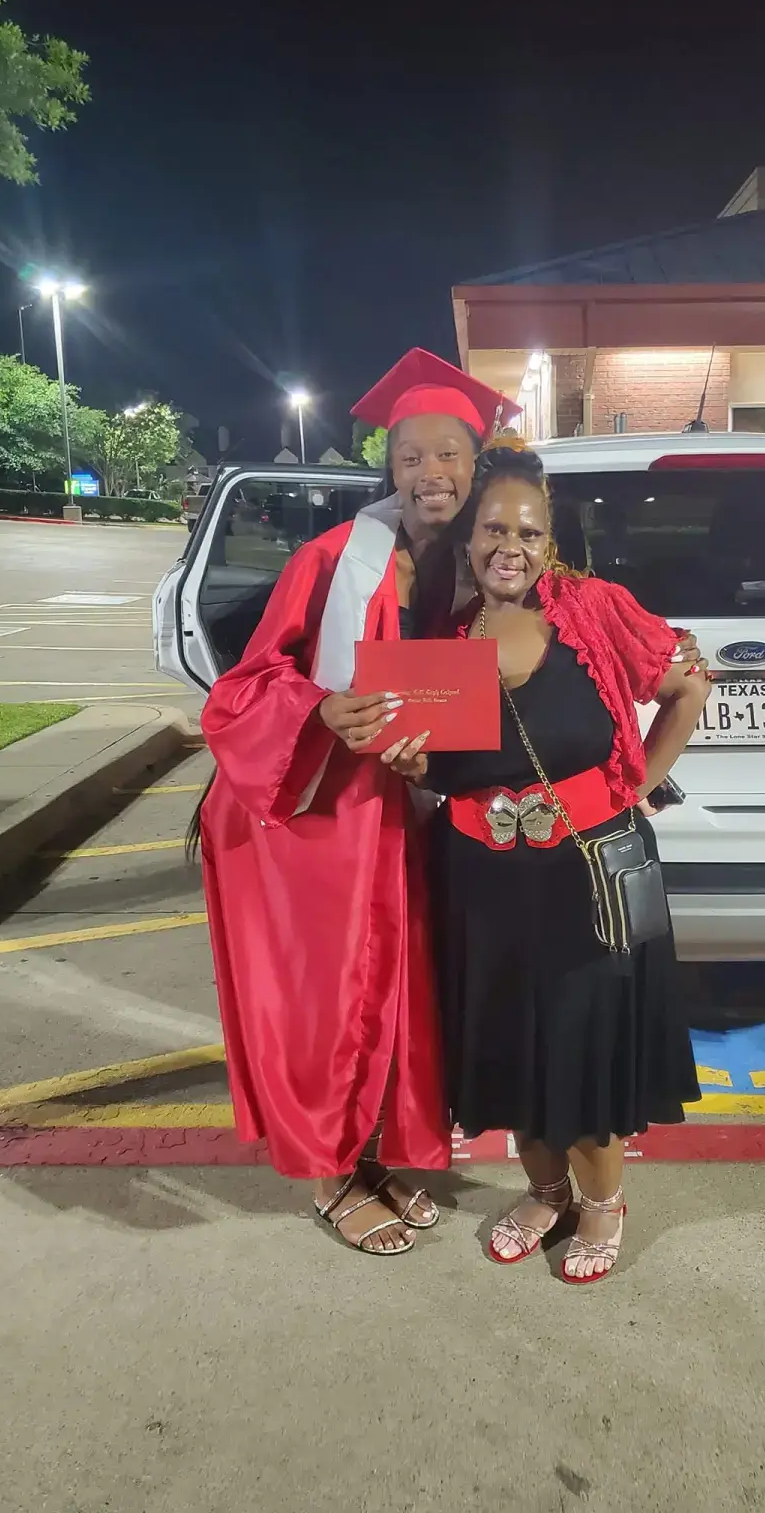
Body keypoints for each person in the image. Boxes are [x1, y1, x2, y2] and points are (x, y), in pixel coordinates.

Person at [195, 349, 520, 1256]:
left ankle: (372, 1153)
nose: (430, 474)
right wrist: (321, 707)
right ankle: (332, 1176)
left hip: (398, 813)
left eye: (447, 454)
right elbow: (243, 687)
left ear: (476, 460)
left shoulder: (483, 566)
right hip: (304, 815)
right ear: (389, 470)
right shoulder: (334, 559)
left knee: (392, 988)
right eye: (410, 457)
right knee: (322, 998)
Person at [383, 441, 711, 1284]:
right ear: (468, 540)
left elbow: (688, 687)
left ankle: (603, 1204)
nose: (510, 548)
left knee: (581, 1052)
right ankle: (545, 1190)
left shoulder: (593, 611)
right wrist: (414, 767)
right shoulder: (442, 649)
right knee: (508, 1050)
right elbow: (433, 779)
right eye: (494, 528)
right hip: (484, 890)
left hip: (588, 883)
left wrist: (639, 783)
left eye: (529, 534)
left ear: (549, 545)